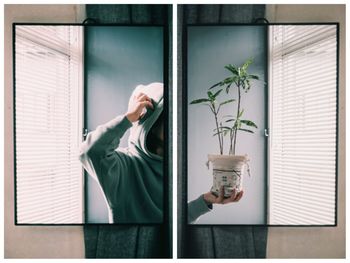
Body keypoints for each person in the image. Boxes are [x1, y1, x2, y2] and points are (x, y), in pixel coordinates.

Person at [79, 82, 164, 223]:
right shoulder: (122, 166)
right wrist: (128, 118)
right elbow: (89, 152)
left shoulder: (172, 167)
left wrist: (203, 202)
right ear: (149, 120)